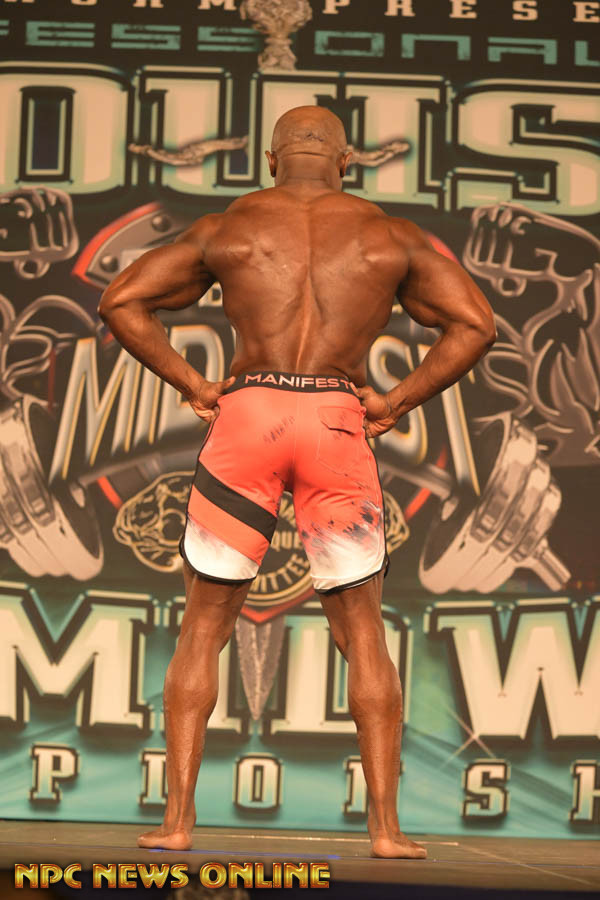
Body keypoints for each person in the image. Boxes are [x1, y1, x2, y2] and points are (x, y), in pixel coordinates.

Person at [98, 106, 496, 859]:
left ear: (272, 160)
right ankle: (386, 832)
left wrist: (194, 384)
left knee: (204, 625)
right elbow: (476, 323)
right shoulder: (391, 236)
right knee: (362, 630)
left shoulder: (228, 227)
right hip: (336, 422)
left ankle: (177, 824)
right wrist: (396, 401)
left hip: (248, 415)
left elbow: (121, 300)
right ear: (347, 161)